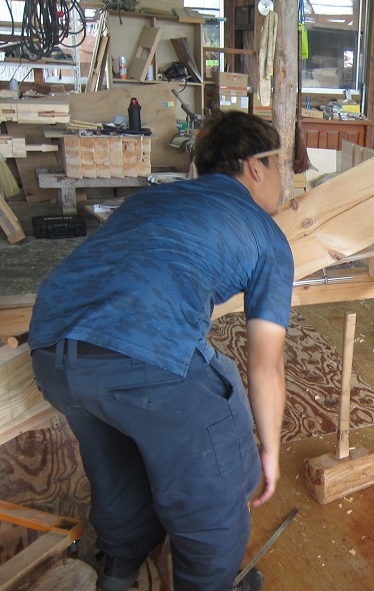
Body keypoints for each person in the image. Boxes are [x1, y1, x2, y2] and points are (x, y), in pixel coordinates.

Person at [28, 111, 293, 591]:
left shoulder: (149, 199)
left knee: (116, 458)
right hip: (140, 358)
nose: (283, 180)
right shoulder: (266, 234)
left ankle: (120, 567)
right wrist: (270, 453)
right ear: (256, 167)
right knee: (218, 476)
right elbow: (266, 366)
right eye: (280, 167)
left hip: (51, 350)